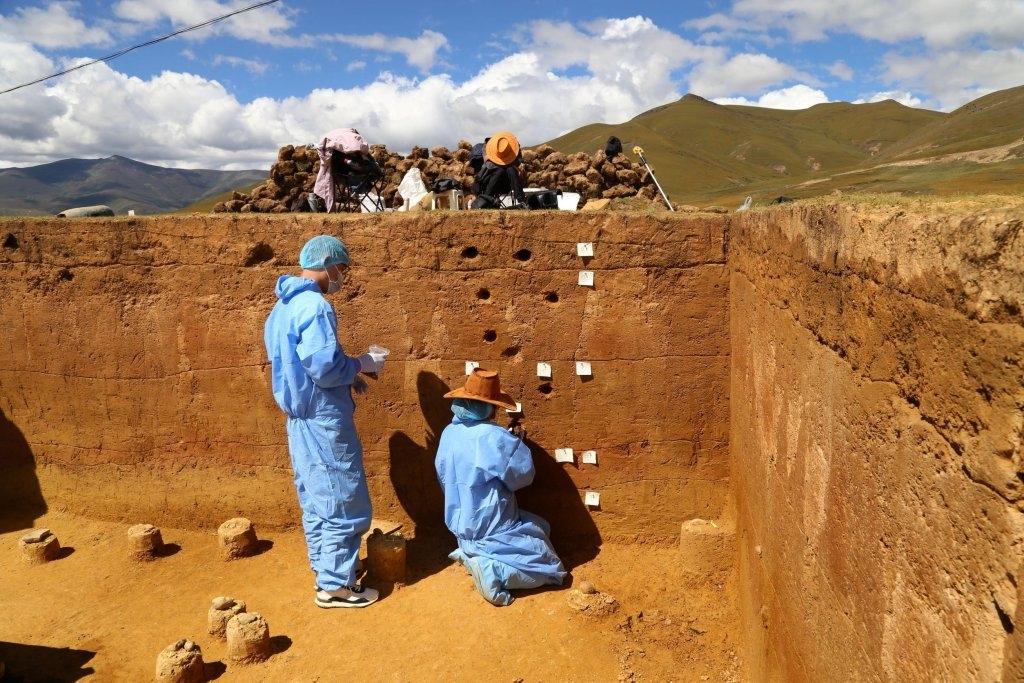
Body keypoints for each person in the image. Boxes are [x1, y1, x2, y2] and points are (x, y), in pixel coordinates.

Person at [263, 235, 389, 608]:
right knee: (344, 500)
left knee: (317, 498)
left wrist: (348, 377)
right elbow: (324, 367)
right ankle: (336, 586)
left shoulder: (282, 307)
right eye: (342, 268)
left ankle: (327, 570)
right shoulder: (316, 306)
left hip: (300, 419)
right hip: (323, 420)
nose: (343, 276)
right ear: (328, 264)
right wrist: (362, 363)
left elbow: (300, 366)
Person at [434, 368, 567, 606]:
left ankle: (469, 554)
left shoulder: (449, 432)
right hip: (491, 525)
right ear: (489, 407)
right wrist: (515, 444)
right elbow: (523, 476)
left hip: (461, 525)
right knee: (551, 568)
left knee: (541, 527)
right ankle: (492, 570)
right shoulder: (494, 436)